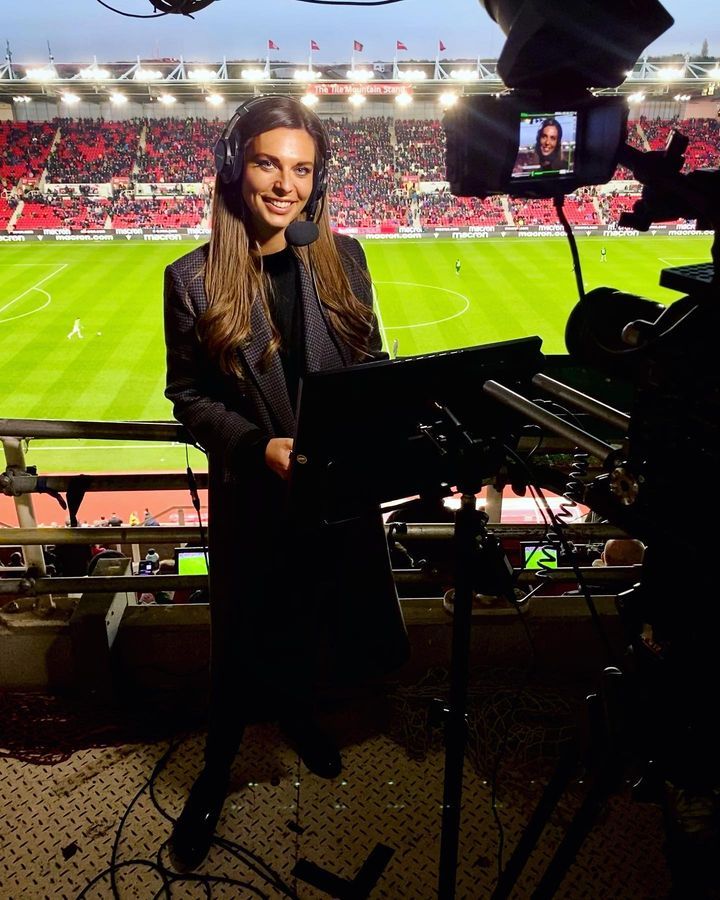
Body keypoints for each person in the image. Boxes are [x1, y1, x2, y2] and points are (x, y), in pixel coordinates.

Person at [163, 95, 409, 871]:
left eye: (301, 169)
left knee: (315, 621)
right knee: (240, 646)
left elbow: (368, 368)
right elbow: (189, 396)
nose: (284, 184)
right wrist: (252, 447)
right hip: (255, 497)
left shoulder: (349, 259)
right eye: (269, 162)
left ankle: (301, 718)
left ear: (319, 180)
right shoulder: (191, 279)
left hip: (334, 499)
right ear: (235, 169)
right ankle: (215, 770)